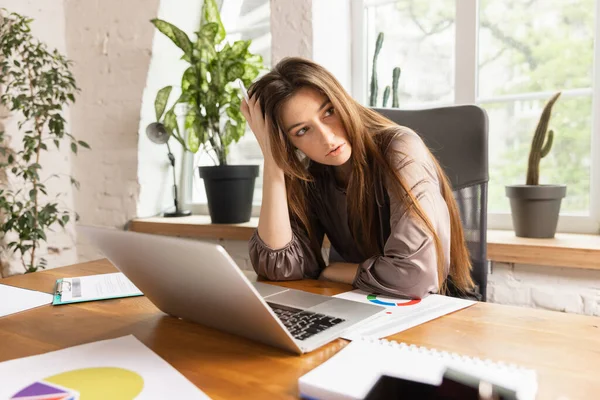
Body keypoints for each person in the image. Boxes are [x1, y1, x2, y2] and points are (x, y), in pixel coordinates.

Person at [241, 57, 476, 299]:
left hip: (441, 307)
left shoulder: (400, 148)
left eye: (328, 112)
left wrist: (337, 270)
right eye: (302, 130)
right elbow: (278, 269)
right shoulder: (312, 175)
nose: (327, 137)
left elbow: (416, 277)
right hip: (368, 303)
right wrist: (272, 158)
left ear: (342, 102)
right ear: (289, 142)